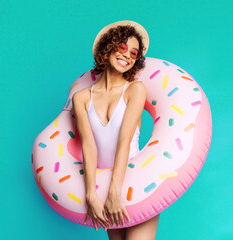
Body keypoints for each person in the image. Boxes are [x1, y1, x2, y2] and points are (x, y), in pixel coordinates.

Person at [72, 21, 160, 240]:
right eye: (122, 48)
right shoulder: (81, 98)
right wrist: (92, 193)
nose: (127, 56)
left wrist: (115, 191)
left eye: (133, 53)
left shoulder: (135, 90)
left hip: (134, 182)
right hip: (104, 185)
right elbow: (88, 145)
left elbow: (124, 140)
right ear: (107, 48)